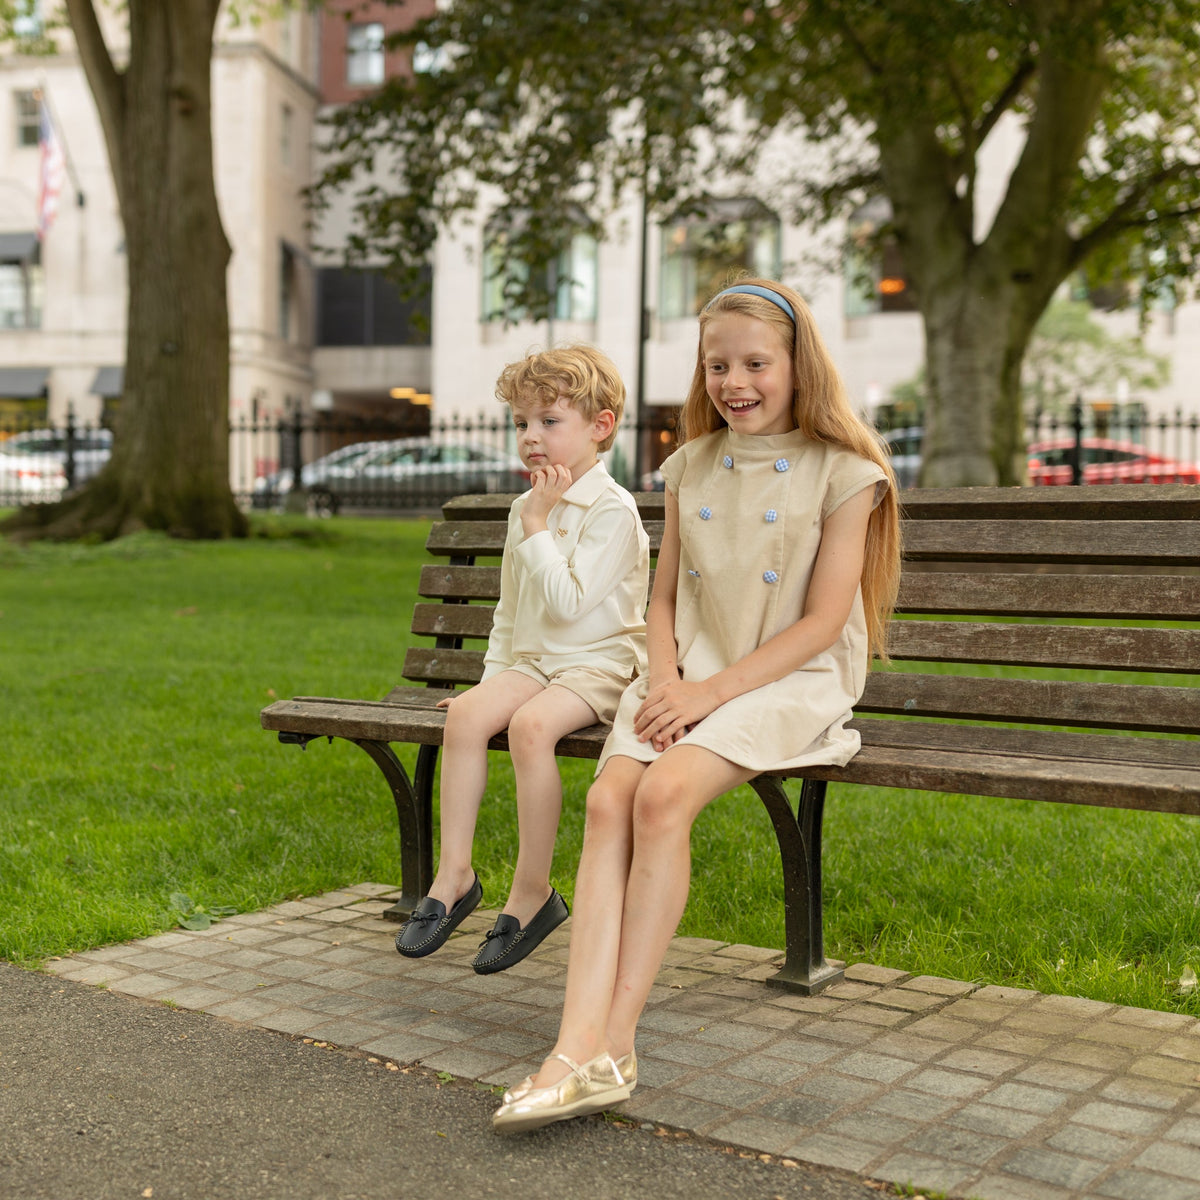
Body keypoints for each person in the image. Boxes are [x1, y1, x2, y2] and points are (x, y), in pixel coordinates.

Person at [492, 279, 902, 1132]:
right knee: (611, 798)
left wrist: (709, 694)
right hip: (687, 665)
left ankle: (615, 1043)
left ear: (799, 366)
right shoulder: (691, 463)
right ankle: (571, 1046)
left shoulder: (848, 472)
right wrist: (672, 680)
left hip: (789, 673)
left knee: (665, 792)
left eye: (757, 362)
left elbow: (827, 621)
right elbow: (666, 599)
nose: (734, 380)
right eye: (718, 364)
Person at [396, 345, 650, 976]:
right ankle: (454, 876)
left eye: (549, 422)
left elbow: (568, 605)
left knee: (532, 728)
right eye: (521, 424)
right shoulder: (524, 508)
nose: (531, 438)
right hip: (536, 663)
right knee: (466, 719)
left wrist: (538, 521)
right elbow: (511, 613)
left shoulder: (611, 510)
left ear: (601, 425)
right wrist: (488, 687)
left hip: (599, 665)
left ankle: (533, 891)